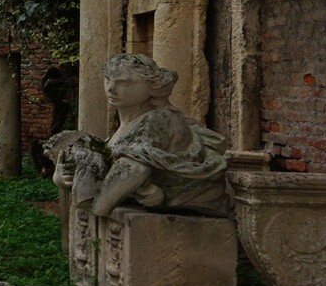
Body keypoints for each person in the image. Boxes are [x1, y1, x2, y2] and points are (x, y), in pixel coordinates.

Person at [47, 53, 229, 217]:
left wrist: (97, 209)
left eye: (124, 82)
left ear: (152, 86)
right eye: (108, 79)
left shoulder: (159, 119)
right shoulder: (123, 129)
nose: (111, 88)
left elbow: (132, 170)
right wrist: (61, 177)